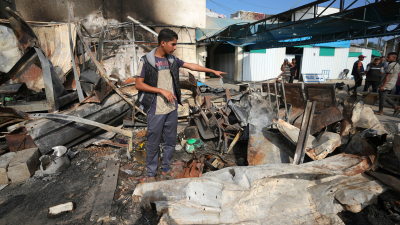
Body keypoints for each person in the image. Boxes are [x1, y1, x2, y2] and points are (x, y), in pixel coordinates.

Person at [135, 28, 226, 182]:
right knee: (153, 142)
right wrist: (161, 90)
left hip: (172, 108)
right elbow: (139, 84)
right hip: (156, 108)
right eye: (173, 44)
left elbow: (191, 66)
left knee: (170, 140)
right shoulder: (146, 61)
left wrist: (212, 70)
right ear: (163, 43)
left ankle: (165, 167)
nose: (175, 47)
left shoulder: (172, 60)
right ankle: (151, 173)